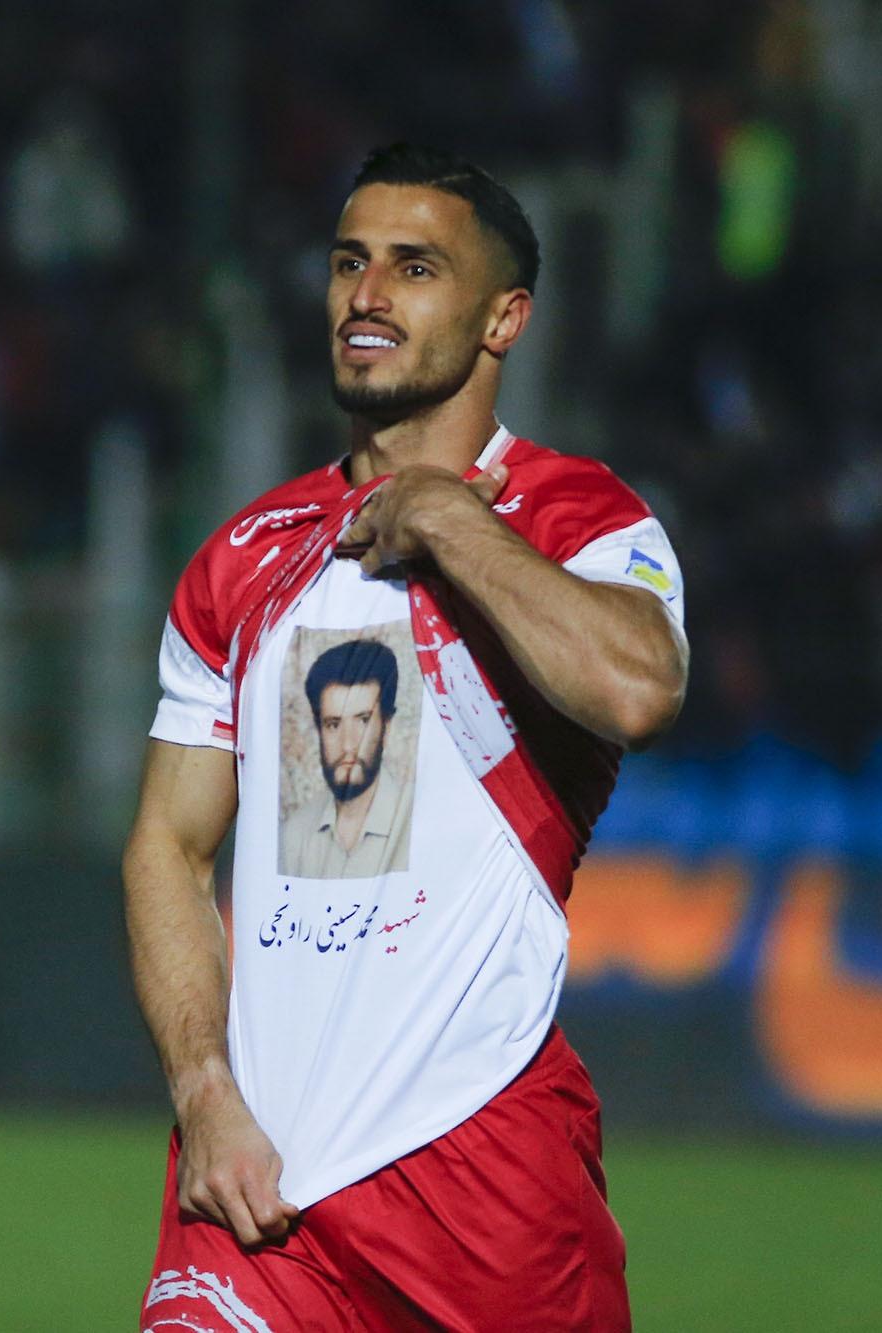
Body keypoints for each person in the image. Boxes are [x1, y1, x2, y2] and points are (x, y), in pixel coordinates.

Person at [125, 143, 688, 1331]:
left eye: (413, 268)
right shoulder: (242, 558)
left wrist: (440, 514)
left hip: (480, 1164)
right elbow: (167, 846)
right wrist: (202, 1091)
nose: (366, 295)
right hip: (255, 1186)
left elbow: (636, 688)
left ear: (502, 320)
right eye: (348, 263)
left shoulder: (578, 518)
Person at [281, 638, 412, 880]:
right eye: (333, 725)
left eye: (363, 721)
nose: (348, 745)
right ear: (319, 730)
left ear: (386, 727)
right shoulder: (294, 835)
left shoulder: (416, 822)